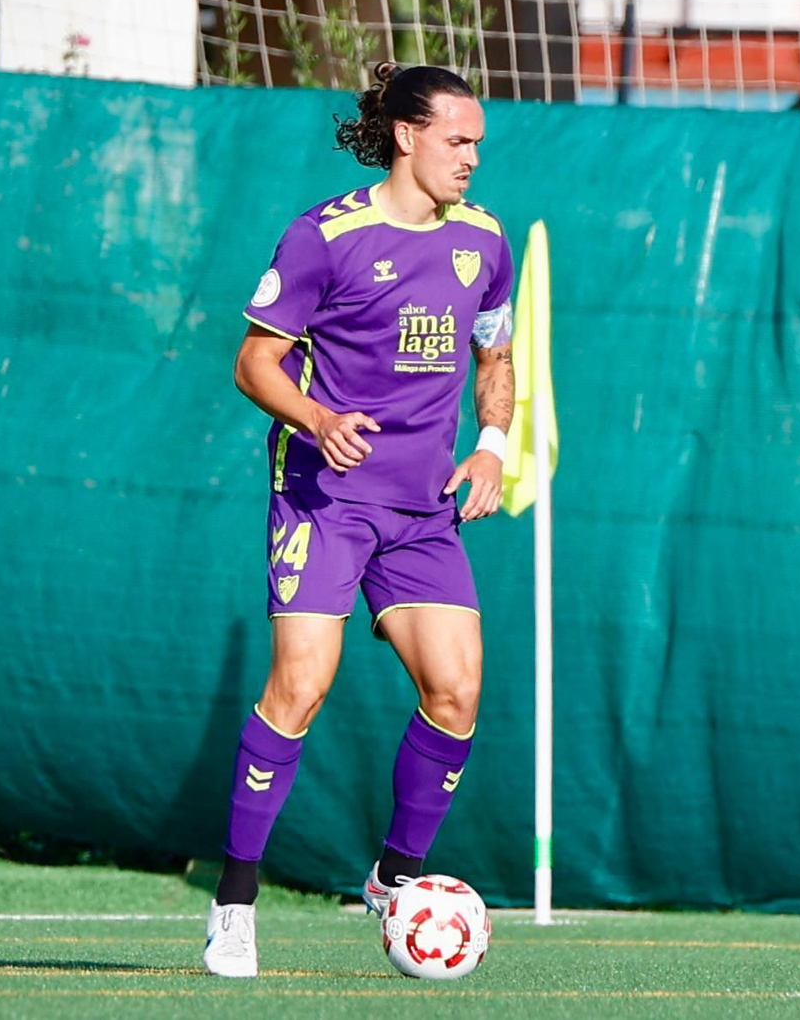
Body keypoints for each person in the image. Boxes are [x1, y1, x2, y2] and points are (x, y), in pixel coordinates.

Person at [203, 62, 516, 979]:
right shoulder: (325, 237)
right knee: (301, 685)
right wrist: (318, 418)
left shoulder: (485, 240)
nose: (471, 159)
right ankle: (233, 904)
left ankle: (395, 878)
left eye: (479, 144)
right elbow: (254, 364)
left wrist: (492, 442)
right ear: (408, 135)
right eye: (458, 140)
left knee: (456, 691)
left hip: (423, 512)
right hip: (325, 497)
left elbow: (495, 352)